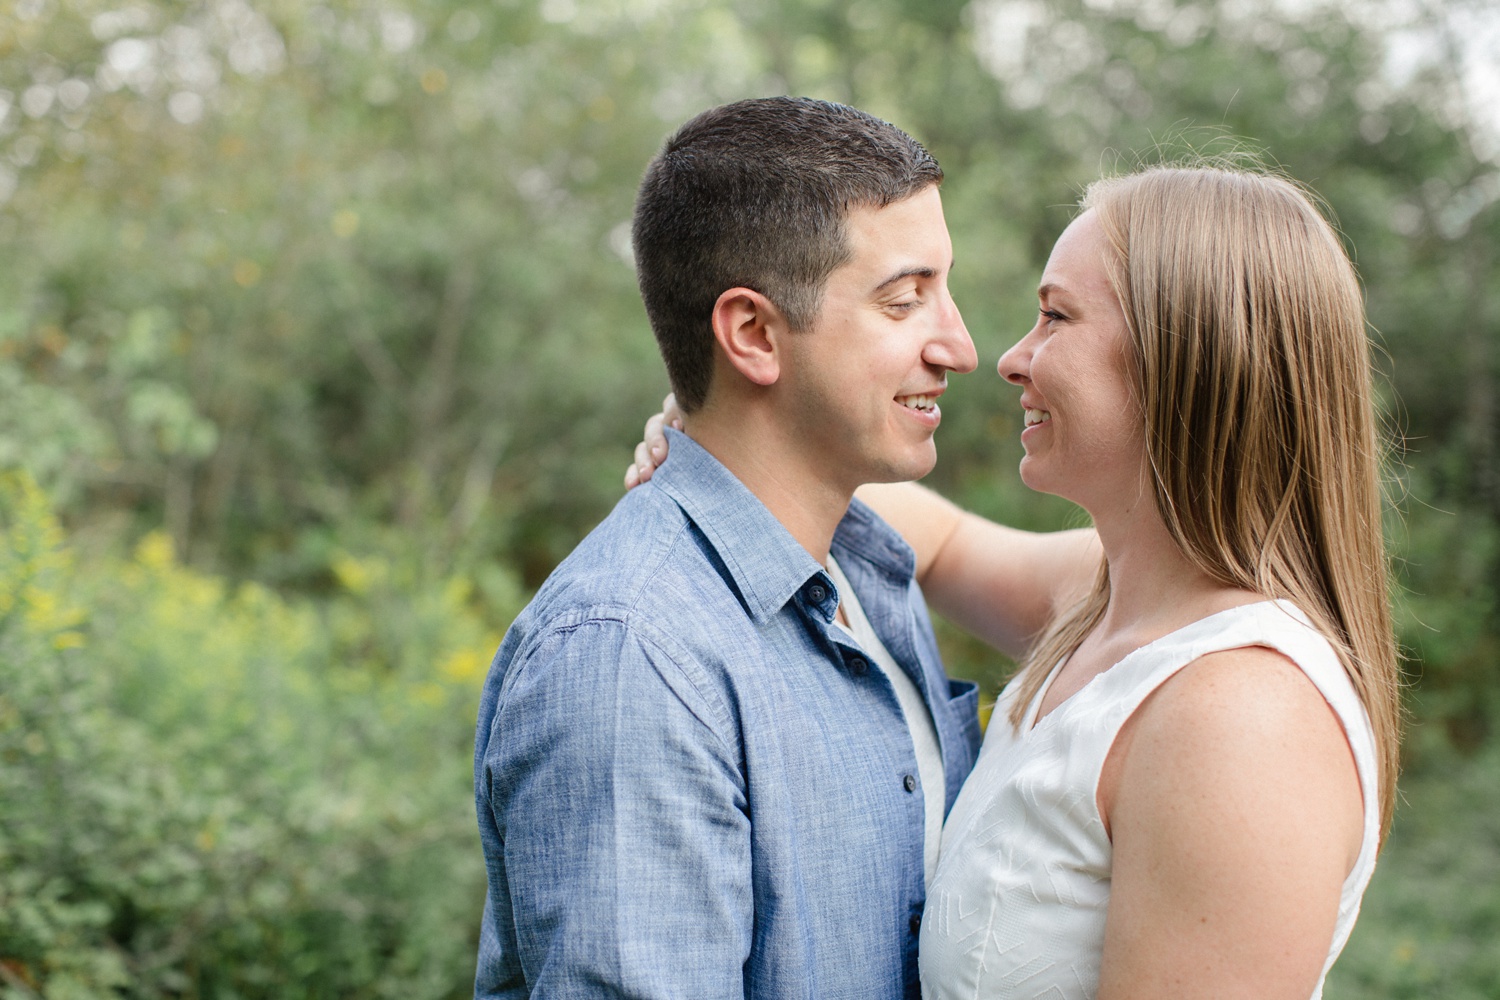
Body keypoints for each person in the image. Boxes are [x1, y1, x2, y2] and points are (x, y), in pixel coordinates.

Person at [631, 163, 1401, 999]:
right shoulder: (1118, 595)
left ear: (1191, 354)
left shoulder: (1241, 715)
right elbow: (941, 540)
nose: (1007, 359)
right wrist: (724, 435)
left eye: (1056, 317)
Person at [473, 96, 1092, 1000]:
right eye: (905, 300)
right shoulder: (635, 657)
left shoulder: (871, 573)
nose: (960, 345)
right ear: (754, 334)